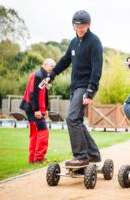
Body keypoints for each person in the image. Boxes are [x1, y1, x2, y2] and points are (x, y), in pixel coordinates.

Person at [48, 10, 103, 166]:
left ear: (88, 25)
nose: (80, 28)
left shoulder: (94, 42)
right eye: (77, 26)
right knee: (77, 120)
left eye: (83, 25)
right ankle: (93, 154)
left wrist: (90, 91)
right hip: (75, 86)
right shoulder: (73, 42)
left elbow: (97, 68)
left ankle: (81, 156)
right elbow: (65, 60)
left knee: (71, 118)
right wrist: (52, 75)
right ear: (73, 25)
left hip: (86, 86)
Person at [20, 58, 56, 164]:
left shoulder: (43, 76)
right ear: (45, 65)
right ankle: (39, 158)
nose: (53, 69)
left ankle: (32, 159)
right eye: (52, 66)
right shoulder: (38, 75)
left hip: (33, 108)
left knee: (35, 134)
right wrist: (37, 110)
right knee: (43, 133)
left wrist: (45, 109)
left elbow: (43, 94)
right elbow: (33, 94)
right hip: (33, 109)